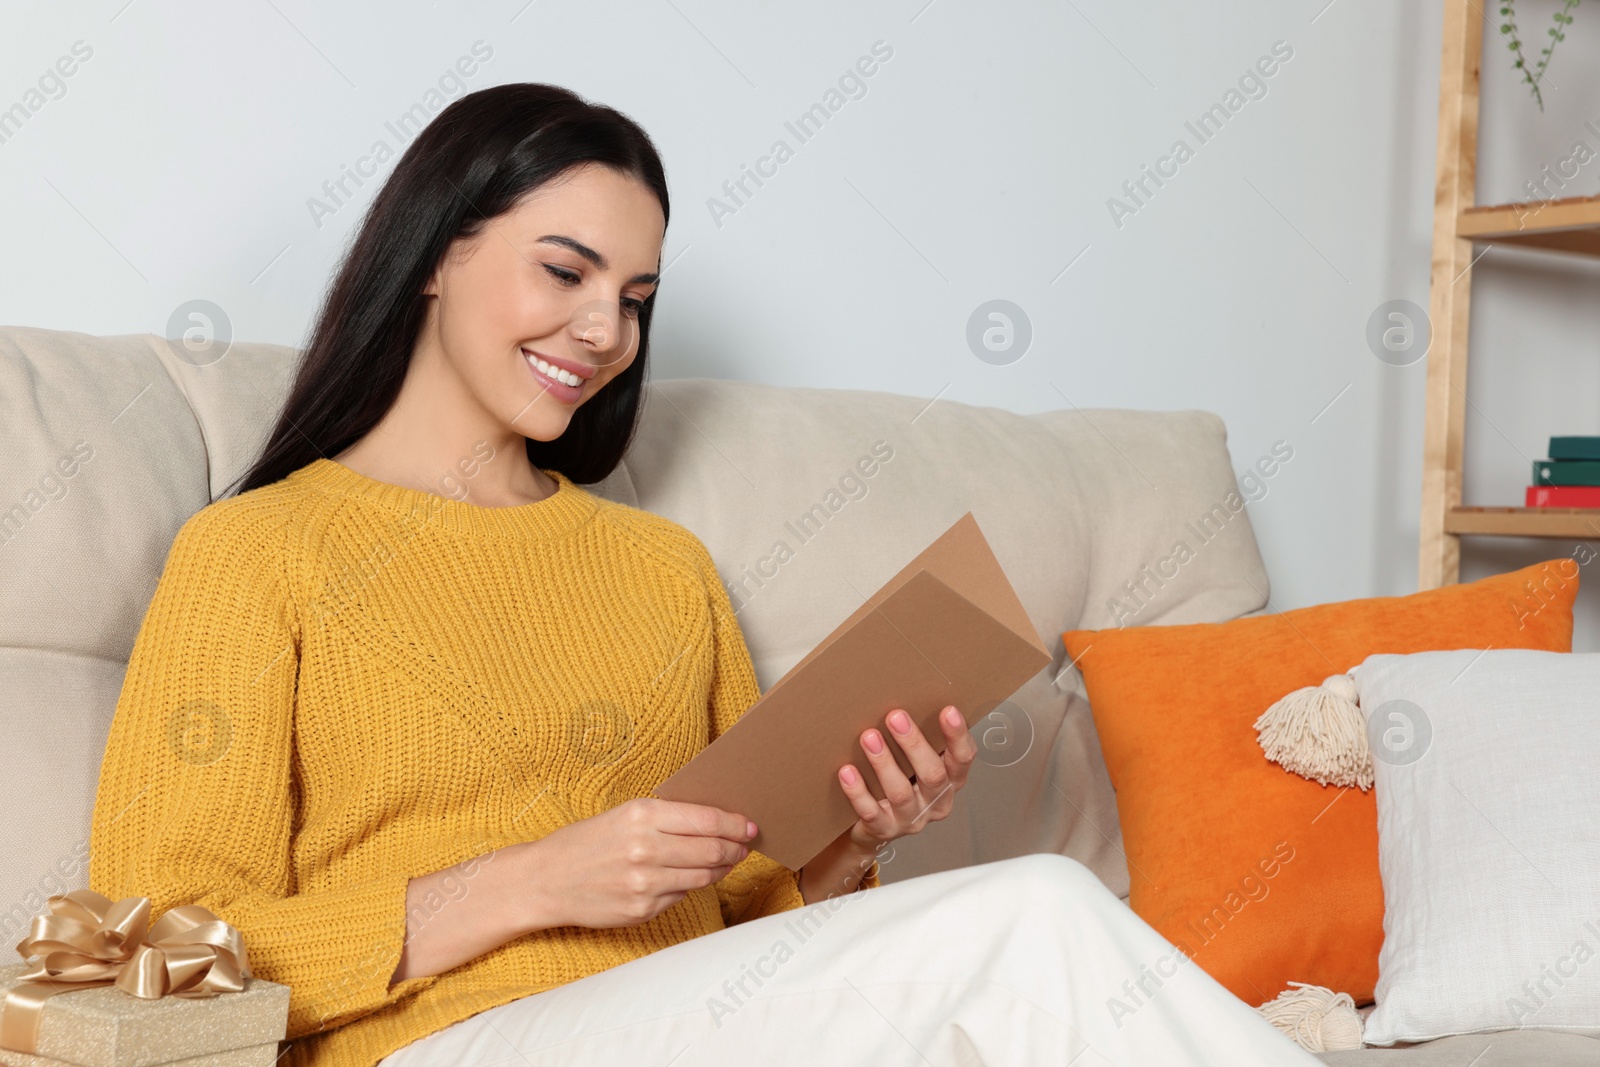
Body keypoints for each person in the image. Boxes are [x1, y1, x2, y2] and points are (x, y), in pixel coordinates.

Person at [87, 83, 1319, 1067]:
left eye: (633, 297)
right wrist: (527, 881)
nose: (602, 331)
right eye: (563, 272)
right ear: (432, 255)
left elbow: (751, 906)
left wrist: (853, 842)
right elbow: (158, 951)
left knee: (1022, 949)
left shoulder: (660, 566)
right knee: (1036, 913)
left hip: (693, 1015)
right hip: (439, 1039)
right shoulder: (256, 551)